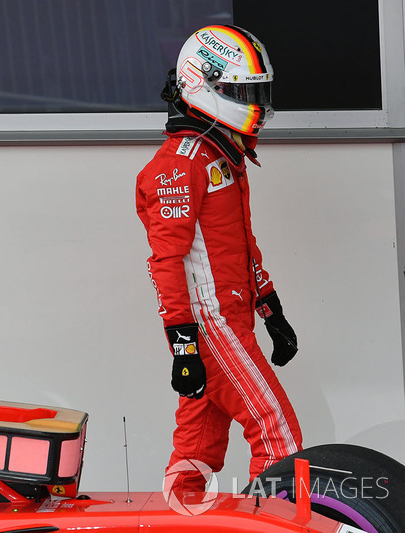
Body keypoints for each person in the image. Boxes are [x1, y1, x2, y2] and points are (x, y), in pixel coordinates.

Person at [134, 25, 303, 494]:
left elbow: (240, 243)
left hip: (233, 318)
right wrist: (184, 344)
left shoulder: (224, 152)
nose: (254, 102)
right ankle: (274, 525)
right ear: (200, 83)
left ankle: (176, 523)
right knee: (278, 437)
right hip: (212, 325)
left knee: (197, 452)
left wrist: (271, 308)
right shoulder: (179, 164)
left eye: (256, 90)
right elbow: (165, 262)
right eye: (241, 90)